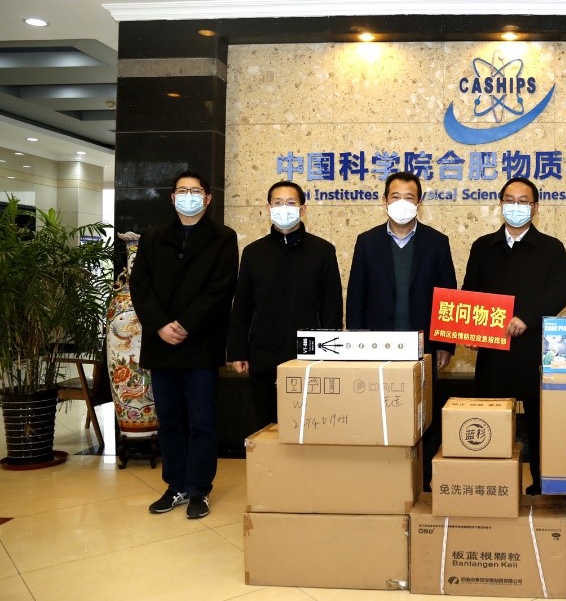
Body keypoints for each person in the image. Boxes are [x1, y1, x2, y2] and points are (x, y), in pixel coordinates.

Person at [130, 171, 238, 519]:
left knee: (202, 421)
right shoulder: (152, 237)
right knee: (170, 421)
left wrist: (186, 323)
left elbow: (221, 287)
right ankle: (175, 484)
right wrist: (161, 324)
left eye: (195, 191)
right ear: (172, 197)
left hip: (200, 342)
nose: (188, 196)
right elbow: (140, 286)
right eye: (182, 191)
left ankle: (199, 489)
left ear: (208, 198)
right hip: (161, 343)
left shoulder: (223, 237)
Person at [346, 171, 456, 488]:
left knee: (424, 416)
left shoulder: (437, 242)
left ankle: (425, 480)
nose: (402, 203)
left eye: (410, 197)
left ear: (419, 203)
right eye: (396, 197)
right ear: (385, 200)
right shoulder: (367, 242)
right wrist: (355, 343)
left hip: (423, 348)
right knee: (378, 412)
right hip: (377, 348)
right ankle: (382, 479)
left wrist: (445, 344)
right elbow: (356, 297)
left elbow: (447, 296)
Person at [462, 177, 566, 494]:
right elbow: (470, 292)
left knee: (539, 422)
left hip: (534, 349)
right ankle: (493, 483)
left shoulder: (551, 248)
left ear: (535, 208)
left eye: (524, 201)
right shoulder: (483, 246)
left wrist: (527, 317)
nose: (516, 206)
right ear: (500, 204)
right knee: (492, 420)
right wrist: (470, 330)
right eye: (510, 200)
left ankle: (543, 483)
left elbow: (562, 289)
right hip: (493, 352)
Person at [227, 180, 343, 429]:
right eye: (278, 203)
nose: (284, 208)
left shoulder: (323, 251)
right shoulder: (253, 252)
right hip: (263, 353)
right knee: (267, 426)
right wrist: (238, 351)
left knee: (309, 425)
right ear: (268, 208)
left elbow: (332, 306)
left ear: (303, 209)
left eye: (291, 203)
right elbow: (242, 306)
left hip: (309, 355)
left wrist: (331, 352)